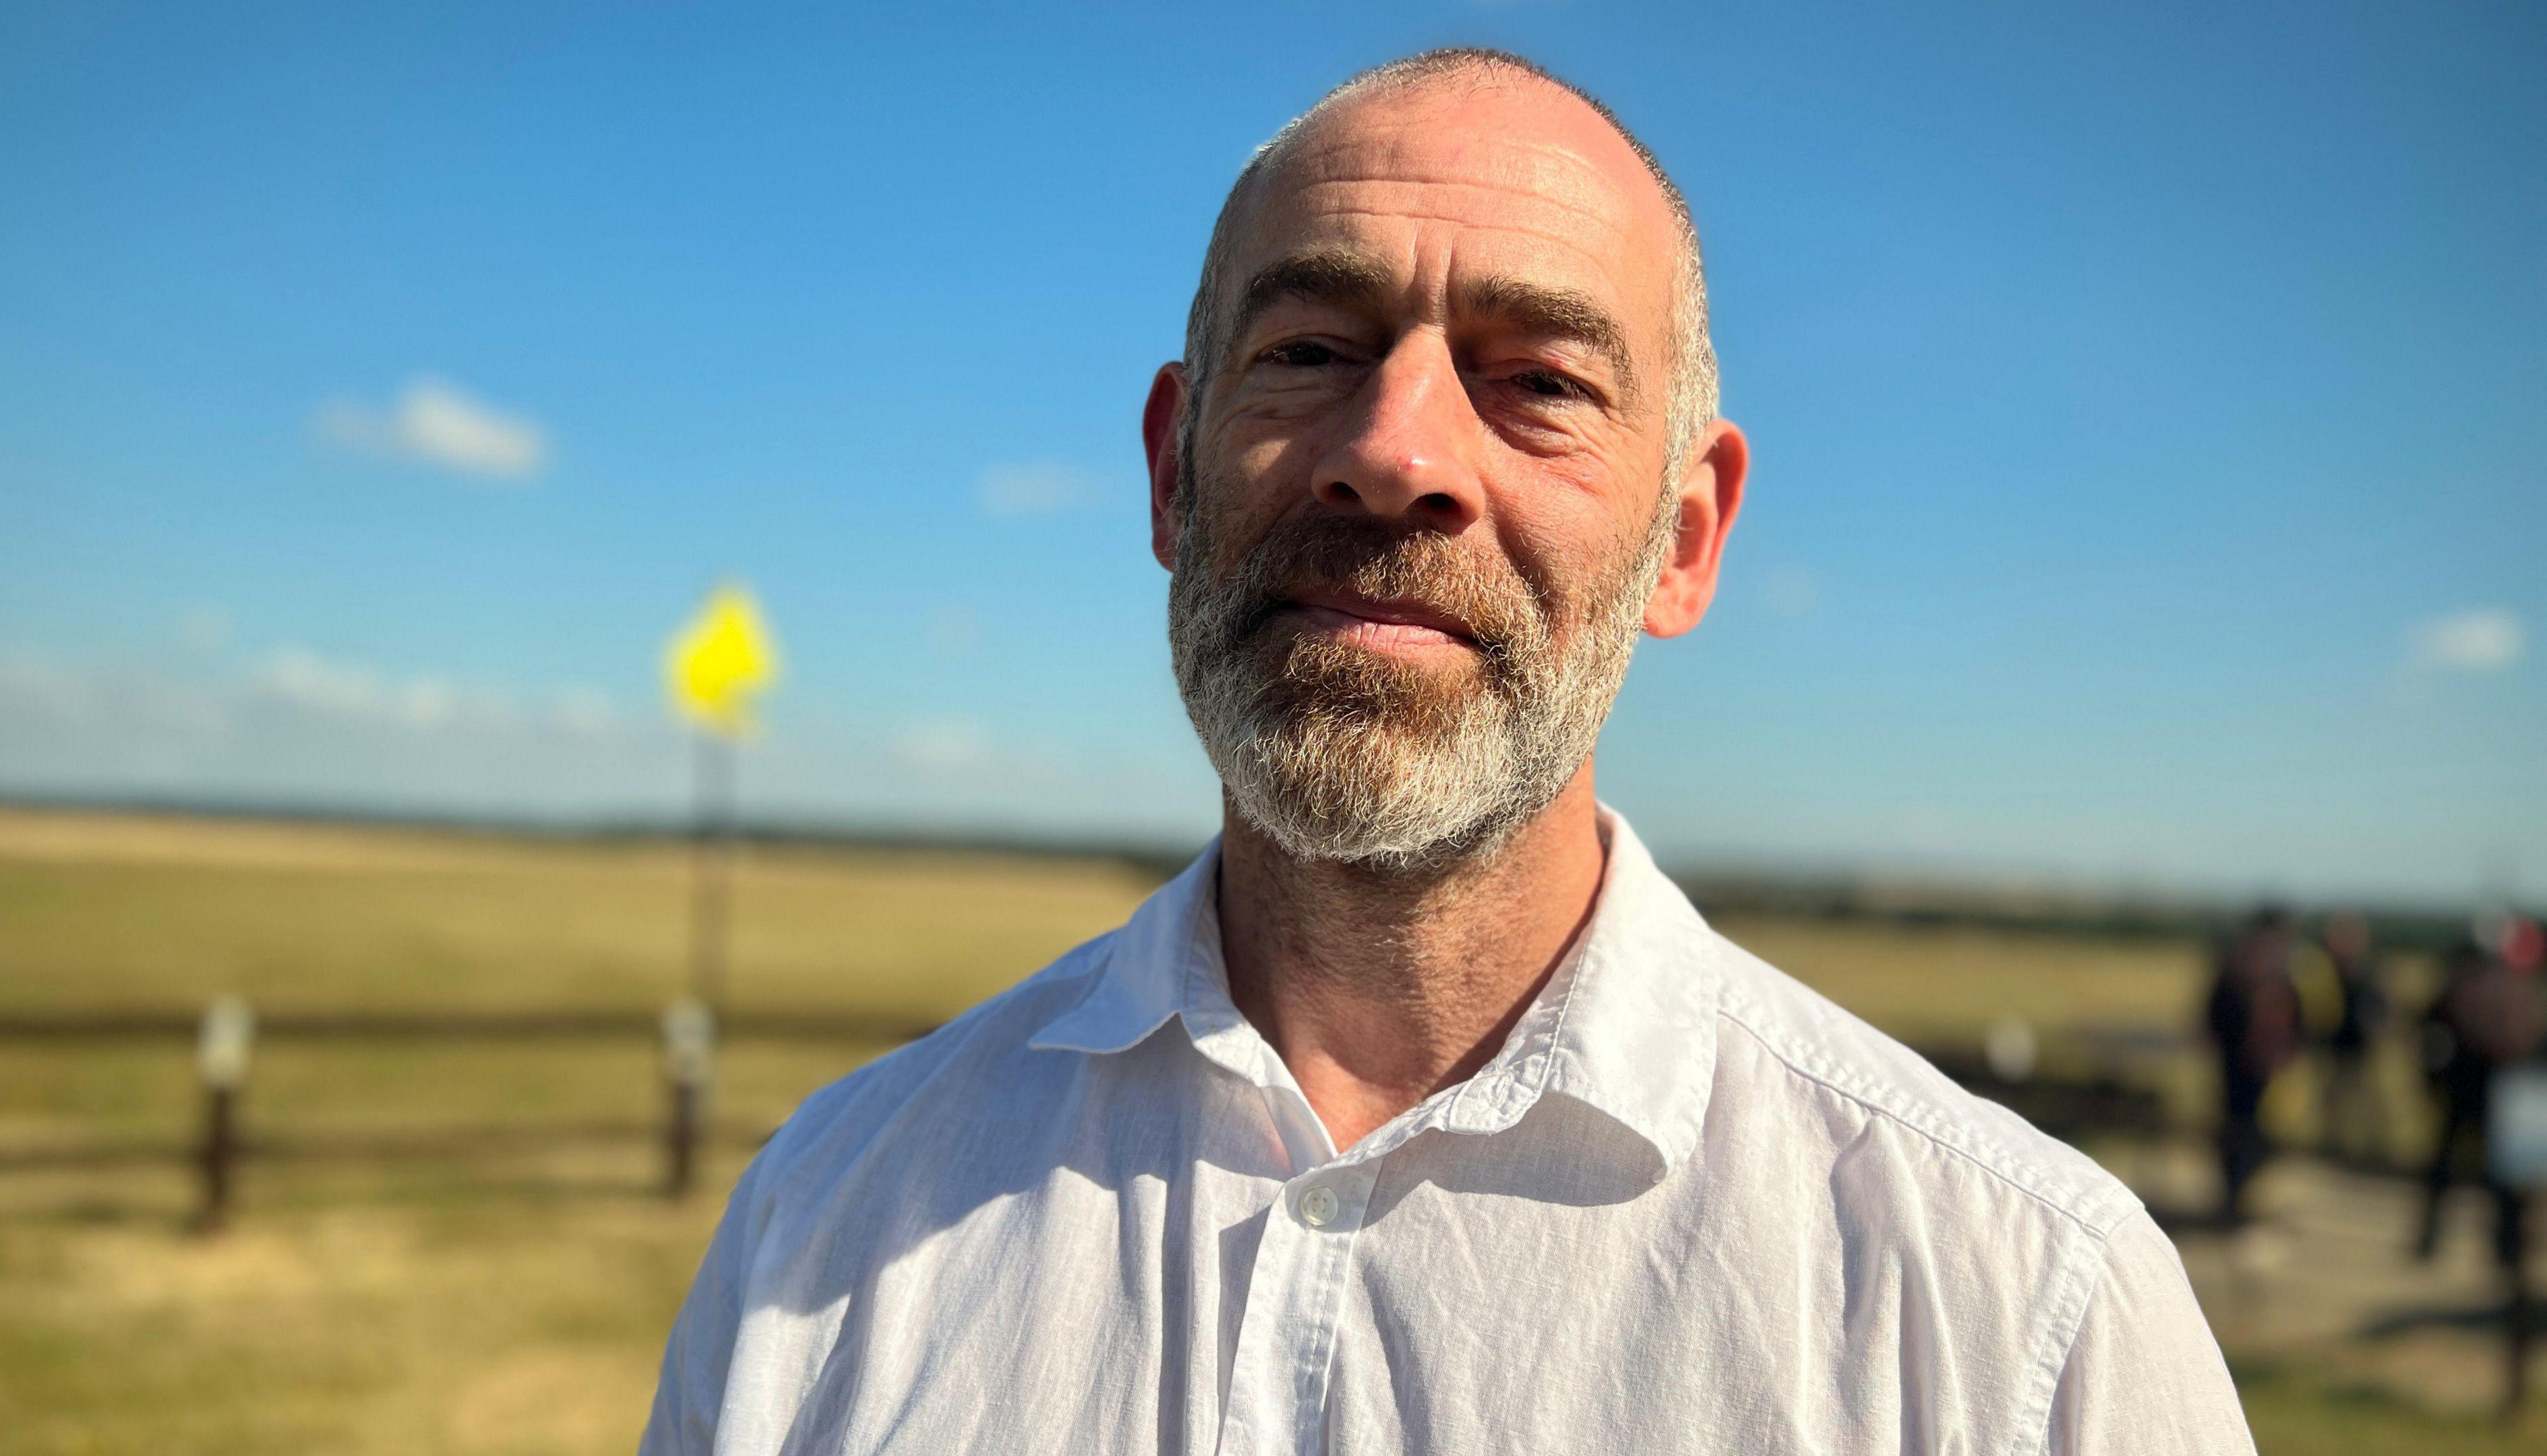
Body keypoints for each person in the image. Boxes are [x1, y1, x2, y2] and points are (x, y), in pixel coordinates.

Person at [641, 49, 2253, 1454]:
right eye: (1309, 351)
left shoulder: (2021, 1312)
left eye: (1535, 379)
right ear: (1168, 472)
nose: (1392, 453)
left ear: (1683, 541)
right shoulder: (824, 1215)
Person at [2414, 919, 2543, 1267]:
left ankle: (2502, 1247)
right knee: (2479, 1175)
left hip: (2487, 1097)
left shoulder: (2472, 989)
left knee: (2488, 1177)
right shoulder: (2502, 990)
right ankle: (2502, 1248)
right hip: (2477, 1095)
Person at [2204, 905, 2302, 1225]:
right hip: (2242, 1063)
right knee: (2242, 1130)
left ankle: (2239, 1195)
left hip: (2259, 1064)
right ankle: (2235, 1196)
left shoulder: (2274, 968)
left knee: (2253, 1130)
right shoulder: (2256, 967)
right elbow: (2219, 1012)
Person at [2314, 909, 2389, 1163]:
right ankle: (2332, 1146)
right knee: (2332, 1101)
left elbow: (2381, 1008)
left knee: (2364, 1102)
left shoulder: (2367, 974)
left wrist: (2375, 1028)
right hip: (2332, 1048)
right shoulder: (2323, 972)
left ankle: (2366, 1149)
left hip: (2360, 1048)